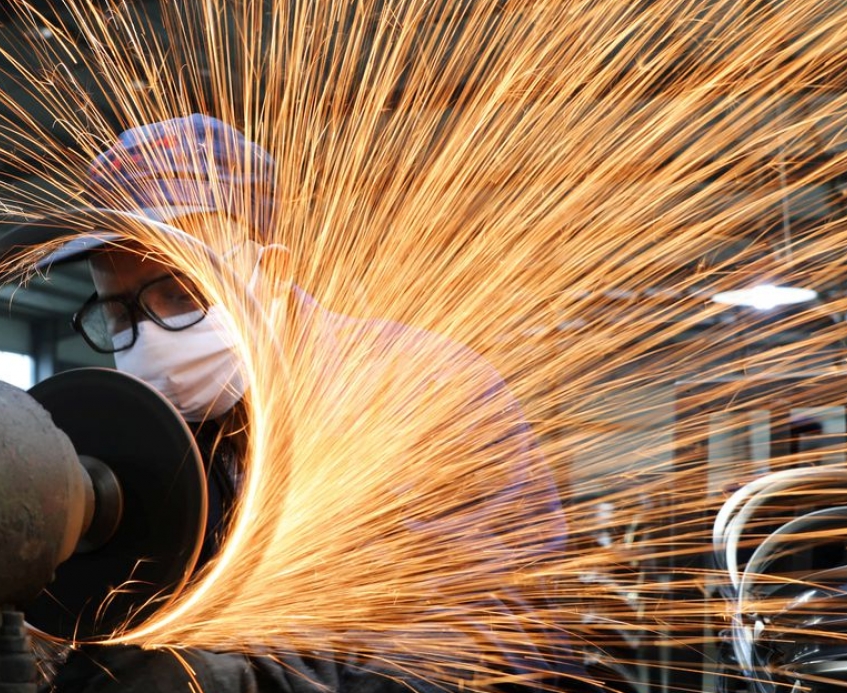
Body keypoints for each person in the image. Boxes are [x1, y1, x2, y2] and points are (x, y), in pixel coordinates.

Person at [46, 115, 583, 693]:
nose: (150, 337)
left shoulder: (419, 389)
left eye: (181, 293)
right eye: (120, 312)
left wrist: (256, 683)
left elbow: (497, 630)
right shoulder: (141, 441)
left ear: (271, 270)